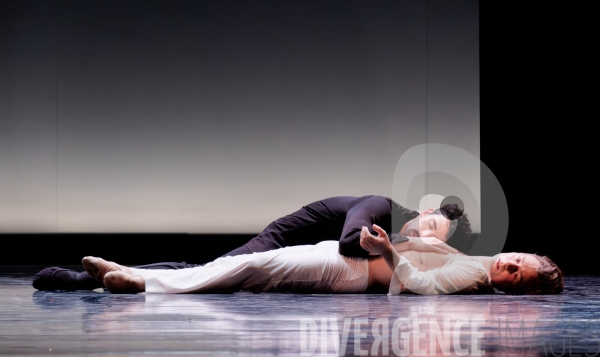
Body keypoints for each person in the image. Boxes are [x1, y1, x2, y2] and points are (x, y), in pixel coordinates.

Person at [32, 195, 472, 291]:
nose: (427, 238)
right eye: (432, 229)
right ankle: (81, 280)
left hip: (301, 254)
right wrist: (399, 249)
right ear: (425, 211)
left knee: (205, 268)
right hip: (282, 240)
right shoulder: (379, 208)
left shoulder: (393, 231)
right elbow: (347, 246)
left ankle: (109, 277)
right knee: (212, 270)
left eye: (437, 239)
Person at [80, 224, 563, 296]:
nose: (512, 266)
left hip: (348, 270)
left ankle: (143, 285)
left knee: (252, 268)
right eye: (519, 258)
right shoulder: (473, 259)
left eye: (519, 274)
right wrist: (406, 236)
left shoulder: (472, 276)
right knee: (250, 268)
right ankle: (136, 275)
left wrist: (390, 249)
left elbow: (419, 284)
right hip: (345, 260)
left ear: (515, 286)